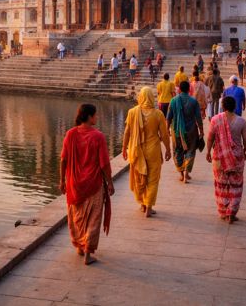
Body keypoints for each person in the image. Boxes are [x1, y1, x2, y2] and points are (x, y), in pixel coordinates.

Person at [59, 104, 114, 265]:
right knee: (93, 219)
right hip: (94, 185)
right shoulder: (98, 137)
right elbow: (104, 164)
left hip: (74, 184)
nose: (97, 118)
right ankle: (88, 253)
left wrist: (62, 180)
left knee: (77, 216)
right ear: (89, 117)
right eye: (95, 115)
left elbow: (63, 159)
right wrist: (110, 183)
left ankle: (79, 246)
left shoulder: (70, 134)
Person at [123, 87, 172, 218]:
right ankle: (149, 207)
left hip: (136, 150)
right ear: (151, 97)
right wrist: (168, 149)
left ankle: (143, 204)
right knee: (153, 179)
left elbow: (127, 132)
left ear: (141, 97)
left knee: (139, 177)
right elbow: (165, 134)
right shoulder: (158, 114)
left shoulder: (132, 112)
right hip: (153, 150)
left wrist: (124, 148)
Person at [206, 95, 246, 223]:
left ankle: (224, 210)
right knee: (235, 185)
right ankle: (232, 212)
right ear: (235, 107)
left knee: (221, 184)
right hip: (236, 158)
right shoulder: (241, 121)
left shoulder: (215, 120)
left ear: (223, 107)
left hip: (219, 158)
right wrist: (243, 150)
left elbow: (210, 138)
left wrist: (208, 152)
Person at [166, 81, 204, 183]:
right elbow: (198, 118)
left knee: (177, 151)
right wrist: (201, 131)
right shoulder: (193, 101)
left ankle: (182, 175)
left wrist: (167, 130)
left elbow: (169, 118)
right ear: (188, 89)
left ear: (179, 89)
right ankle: (187, 173)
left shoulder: (173, 101)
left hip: (176, 131)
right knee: (190, 150)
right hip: (191, 130)